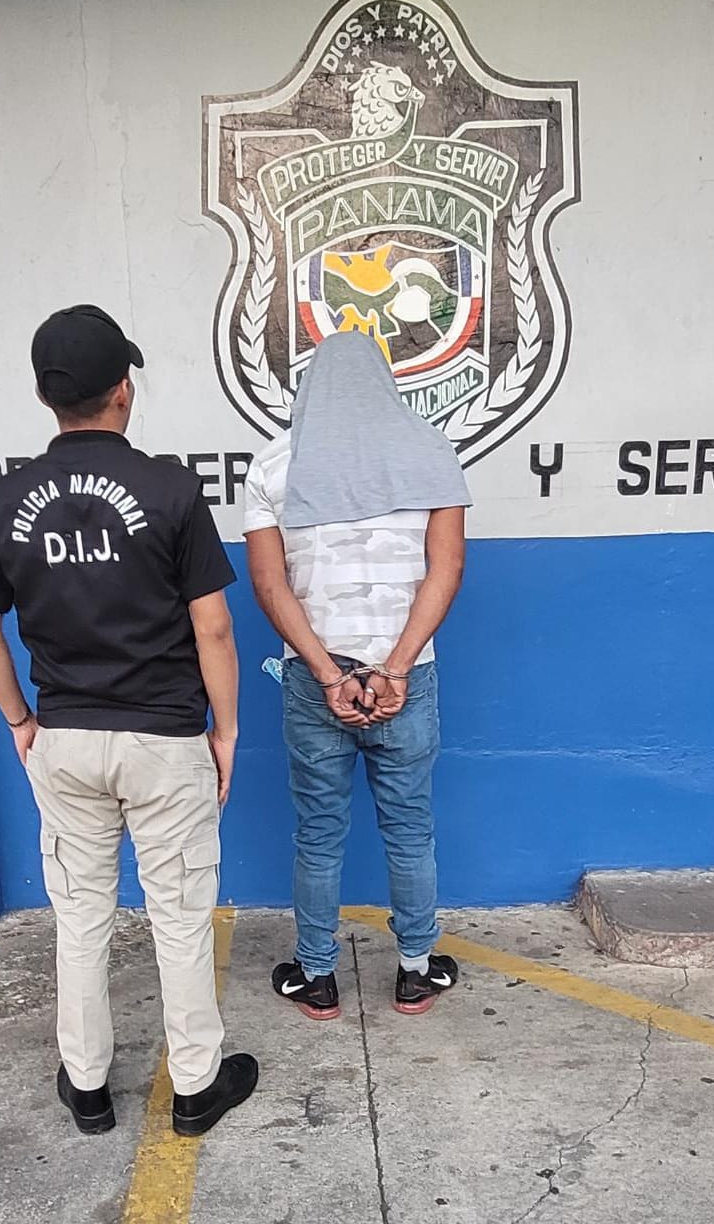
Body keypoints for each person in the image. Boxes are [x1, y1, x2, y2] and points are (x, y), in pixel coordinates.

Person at [0, 304, 257, 1136]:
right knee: (180, 916)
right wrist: (226, 730)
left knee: (81, 918)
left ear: (45, 397)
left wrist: (20, 720)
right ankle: (195, 1088)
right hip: (163, 740)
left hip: (64, 737)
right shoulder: (170, 489)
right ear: (123, 390)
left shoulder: (1, 501)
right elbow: (213, 627)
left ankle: (86, 1087)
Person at [243, 330, 471, 1019]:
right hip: (406, 679)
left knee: (318, 833)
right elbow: (446, 570)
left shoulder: (273, 464)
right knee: (410, 829)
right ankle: (415, 971)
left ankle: (316, 976)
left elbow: (269, 585)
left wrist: (325, 673)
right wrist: (395, 669)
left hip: (316, 682)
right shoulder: (430, 451)